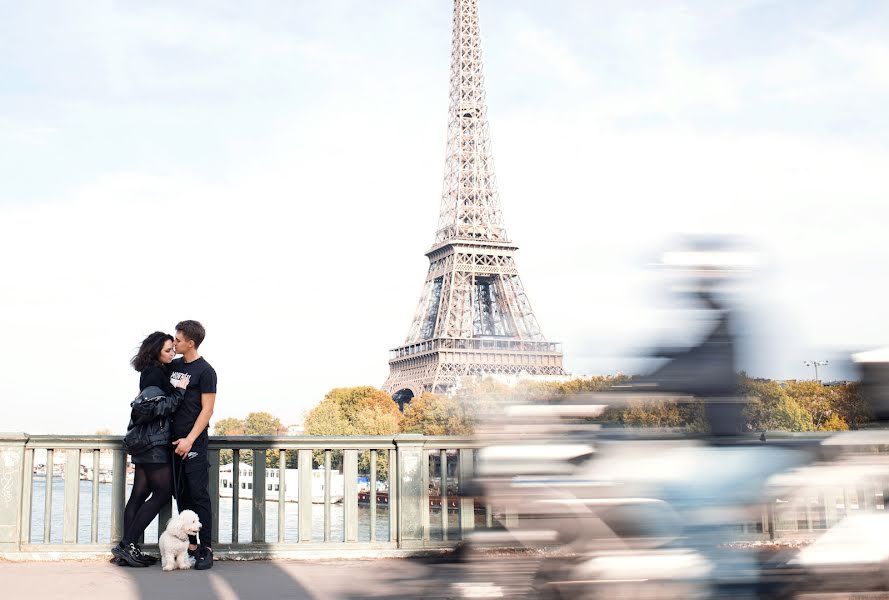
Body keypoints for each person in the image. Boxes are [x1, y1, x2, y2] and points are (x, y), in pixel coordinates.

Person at [113, 331, 189, 567]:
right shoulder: (155, 374)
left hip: (143, 442)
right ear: (156, 352)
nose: (172, 353)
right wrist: (180, 391)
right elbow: (159, 408)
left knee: (139, 494)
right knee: (163, 493)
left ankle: (128, 548)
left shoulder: (151, 372)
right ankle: (126, 544)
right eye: (168, 350)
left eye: (172, 349)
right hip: (154, 442)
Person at [169, 320, 217, 570]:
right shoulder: (174, 365)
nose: (174, 343)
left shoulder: (205, 371)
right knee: (182, 495)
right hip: (173, 443)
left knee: (199, 496)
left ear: (190, 342)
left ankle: (206, 549)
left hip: (193, 443)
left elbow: (207, 410)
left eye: (177, 339)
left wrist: (189, 440)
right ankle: (191, 547)